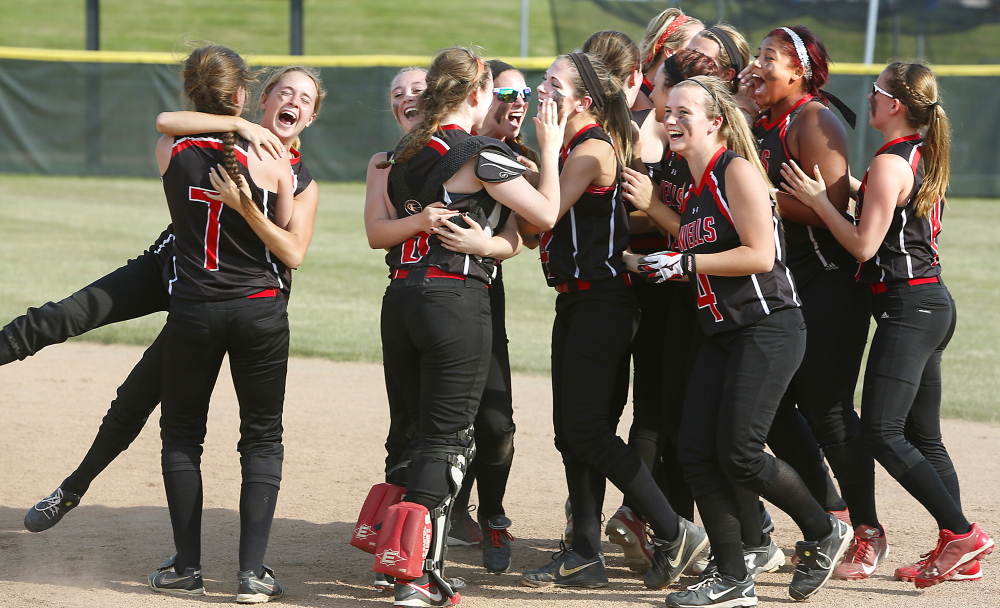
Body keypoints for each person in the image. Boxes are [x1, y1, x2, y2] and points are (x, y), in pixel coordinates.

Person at [19, 66, 324, 547]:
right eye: (285, 92)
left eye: (305, 99)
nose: (293, 103)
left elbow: (293, 251)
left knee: (136, 398)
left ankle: (73, 488)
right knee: (64, 315)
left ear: (312, 115)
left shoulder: (296, 177)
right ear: (259, 99)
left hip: (210, 298)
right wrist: (237, 125)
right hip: (169, 264)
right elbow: (168, 122)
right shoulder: (214, 137)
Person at [627, 75, 853, 607]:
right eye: (669, 110)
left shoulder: (738, 171)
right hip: (723, 331)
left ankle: (824, 529)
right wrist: (652, 261)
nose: (672, 119)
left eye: (686, 111)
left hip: (768, 326)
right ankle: (732, 577)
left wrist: (682, 261)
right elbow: (697, 248)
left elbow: (759, 256)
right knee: (696, 452)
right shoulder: (699, 183)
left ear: (716, 121)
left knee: (741, 452)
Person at [781, 61, 994, 589]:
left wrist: (815, 202)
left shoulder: (891, 163)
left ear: (894, 104)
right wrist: (846, 186)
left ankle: (962, 533)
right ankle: (961, 549)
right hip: (929, 303)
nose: (869, 99)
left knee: (881, 430)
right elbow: (885, 205)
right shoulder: (914, 154)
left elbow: (860, 244)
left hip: (910, 307)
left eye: (876, 92)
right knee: (923, 434)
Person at [364, 46, 564, 608]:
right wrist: (549, 153)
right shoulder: (477, 152)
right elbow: (545, 215)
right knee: (447, 439)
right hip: (453, 299)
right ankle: (416, 577)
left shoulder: (401, 153)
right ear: (477, 94)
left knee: (409, 427)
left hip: (399, 299)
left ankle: (391, 555)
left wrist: (496, 243)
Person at [519, 51, 707, 592]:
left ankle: (675, 530)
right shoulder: (572, 149)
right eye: (545, 81)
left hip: (605, 303)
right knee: (569, 434)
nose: (543, 90)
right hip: (576, 301)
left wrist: (540, 156)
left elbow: (543, 214)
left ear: (584, 101)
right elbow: (538, 230)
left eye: (556, 84)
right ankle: (582, 552)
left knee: (588, 430)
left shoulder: (594, 148)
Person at [149, 44, 301, 603]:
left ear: (194, 93)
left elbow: (169, 123)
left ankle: (187, 567)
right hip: (259, 308)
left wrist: (225, 119)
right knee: (261, 437)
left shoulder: (171, 148)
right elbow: (283, 234)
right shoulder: (274, 157)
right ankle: (251, 574)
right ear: (242, 96)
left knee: (183, 436)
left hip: (195, 307)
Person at [743, 25, 881, 580]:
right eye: (756, 55)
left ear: (799, 71)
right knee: (772, 409)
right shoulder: (762, 119)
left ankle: (868, 531)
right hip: (783, 286)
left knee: (826, 409)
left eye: (769, 58)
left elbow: (836, 206)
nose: (758, 65)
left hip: (826, 284)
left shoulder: (812, 118)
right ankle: (833, 511)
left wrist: (755, 195)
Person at [444, 59, 535, 574]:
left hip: (485, 296)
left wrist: (492, 244)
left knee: (497, 422)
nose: (518, 101)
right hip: (442, 298)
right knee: (442, 421)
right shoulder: (456, 154)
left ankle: (492, 512)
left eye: (525, 92)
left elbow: (525, 235)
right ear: (479, 99)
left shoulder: (511, 157)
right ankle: (440, 513)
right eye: (507, 93)